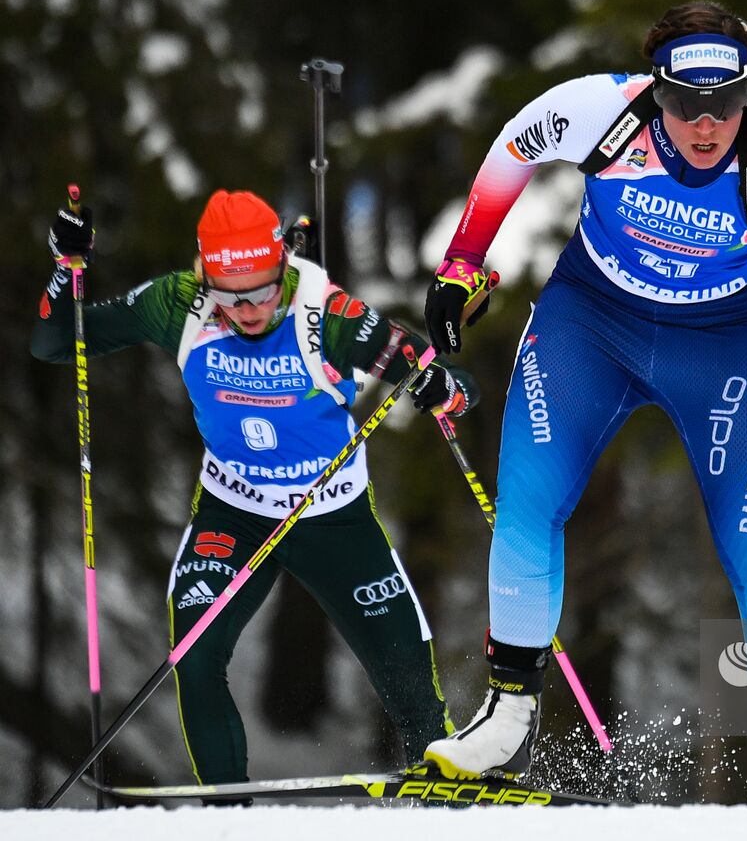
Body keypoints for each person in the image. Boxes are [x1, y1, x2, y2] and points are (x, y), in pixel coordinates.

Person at [420, 1, 747, 805]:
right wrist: (463, 261)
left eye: (724, 104)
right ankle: (506, 715)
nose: (705, 124)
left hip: (719, 349)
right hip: (591, 325)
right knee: (527, 505)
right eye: (684, 103)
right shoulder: (600, 111)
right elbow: (513, 147)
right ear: (656, 87)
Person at [33, 190, 475, 788]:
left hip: (333, 518)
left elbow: (442, 379)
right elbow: (56, 340)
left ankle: (447, 808)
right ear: (204, 275)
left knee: (408, 679)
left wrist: (442, 388)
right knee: (195, 654)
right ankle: (228, 821)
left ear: (283, 265)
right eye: (231, 294)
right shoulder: (179, 304)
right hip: (233, 515)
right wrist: (66, 268)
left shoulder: (329, 314)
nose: (247, 309)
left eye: (264, 289)